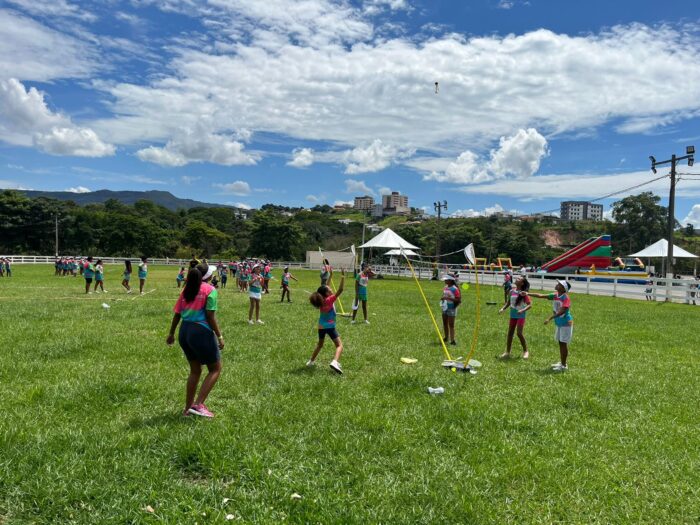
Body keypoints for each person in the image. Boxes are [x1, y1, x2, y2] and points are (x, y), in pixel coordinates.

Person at [166, 264, 224, 418]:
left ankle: (187, 409)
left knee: (195, 370)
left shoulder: (187, 289)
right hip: (200, 331)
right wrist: (219, 336)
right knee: (215, 368)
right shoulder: (210, 290)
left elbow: (177, 314)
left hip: (184, 331)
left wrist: (171, 333)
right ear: (207, 276)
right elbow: (210, 316)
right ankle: (198, 405)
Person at [528, 280, 573, 372]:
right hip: (559, 323)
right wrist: (527, 293)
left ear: (563, 289)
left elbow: (562, 311)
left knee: (563, 344)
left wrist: (549, 318)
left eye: (559, 284)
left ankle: (564, 366)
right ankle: (562, 363)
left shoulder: (566, 298)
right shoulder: (555, 295)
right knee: (561, 343)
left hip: (566, 323)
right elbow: (541, 295)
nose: (557, 285)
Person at [308, 269, 346, 374]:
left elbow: (326, 286)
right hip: (330, 326)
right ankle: (335, 362)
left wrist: (331, 275)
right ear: (326, 293)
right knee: (339, 345)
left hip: (321, 327)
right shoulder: (330, 300)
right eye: (329, 290)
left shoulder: (321, 300)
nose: (331, 289)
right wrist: (343, 276)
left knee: (320, 345)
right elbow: (340, 289)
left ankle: (311, 361)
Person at [498, 275, 531, 359]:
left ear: (522, 283)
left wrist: (522, 310)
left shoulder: (523, 293)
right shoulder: (511, 291)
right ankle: (507, 352)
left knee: (519, 333)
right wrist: (503, 309)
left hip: (521, 315)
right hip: (512, 315)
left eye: (519, 279)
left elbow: (529, 305)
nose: (517, 279)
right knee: (510, 333)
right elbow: (508, 303)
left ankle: (526, 351)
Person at [440, 275, 461, 345]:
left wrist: (448, 298)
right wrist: (443, 298)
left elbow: (458, 299)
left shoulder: (455, 289)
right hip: (445, 307)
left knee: (451, 324)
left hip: (452, 308)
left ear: (451, 280)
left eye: (446, 279)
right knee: (445, 323)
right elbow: (444, 295)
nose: (445, 281)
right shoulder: (445, 287)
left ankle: (452, 340)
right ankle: (446, 337)